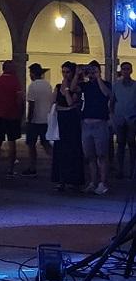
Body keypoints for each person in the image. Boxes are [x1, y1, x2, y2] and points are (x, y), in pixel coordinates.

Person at [76, 60, 111, 194]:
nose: (91, 73)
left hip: (100, 123)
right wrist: (77, 74)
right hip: (86, 124)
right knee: (90, 156)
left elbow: (106, 94)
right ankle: (93, 182)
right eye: (90, 71)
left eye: (94, 71)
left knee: (102, 155)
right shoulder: (86, 85)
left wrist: (98, 78)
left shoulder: (106, 84)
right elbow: (74, 88)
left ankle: (103, 183)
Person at [0, 60, 24, 178]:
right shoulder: (15, 81)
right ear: (10, 68)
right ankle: (10, 169)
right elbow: (19, 99)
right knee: (12, 143)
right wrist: (20, 112)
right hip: (12, 115)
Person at [52, 61, 85, 191]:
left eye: (68, 72)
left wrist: (66, 92)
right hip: (61, 121)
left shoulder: (77, 88)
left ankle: (74, 180)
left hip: (72, 122)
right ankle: (61, 180)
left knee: (73, 150)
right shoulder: (58, 86)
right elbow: (54, 101)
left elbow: (71, 102)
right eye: (63, 72)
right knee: (60, 151)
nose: (65, 75)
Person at [23, 63, 53, 177]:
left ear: (33, 74)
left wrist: (28, 119)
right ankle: (55, 162)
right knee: (46, 143)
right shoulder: (48, 85)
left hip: (35, 120)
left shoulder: (32, 86)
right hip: (46, 118)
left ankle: (32, 167)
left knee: (31, 144)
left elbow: (31, 104)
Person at [110, 61, 136, 179]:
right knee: (120, 145)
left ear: (131, 71)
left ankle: (132, 171)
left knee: (132, 145)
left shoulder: (135, 85)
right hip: (119, 119)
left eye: (127, 69)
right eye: (123, 69)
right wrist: (113, 116)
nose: (125, 71)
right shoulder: (116, 85)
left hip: (132, 119)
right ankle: (119, 170)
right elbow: (112, 101)